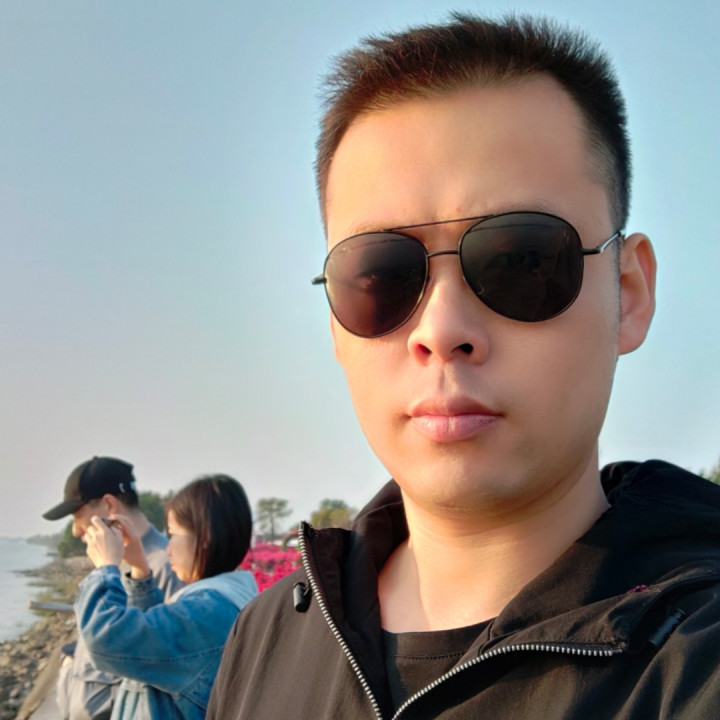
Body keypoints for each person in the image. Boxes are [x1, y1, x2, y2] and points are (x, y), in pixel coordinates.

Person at [207, 12, 720, 720]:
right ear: (335, 323)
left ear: (627, 294)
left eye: (523, 261)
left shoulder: (694, 665)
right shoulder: (266, 642)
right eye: (381, 275)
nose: (441, 330)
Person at [74, 474, 257, 720]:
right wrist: (140, 569)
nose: (168, 548)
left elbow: (104, 640)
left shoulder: (208, 613)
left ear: (205, 537)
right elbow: (154, 647)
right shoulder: (227, 601)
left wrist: (106, 567)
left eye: (172, 534)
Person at [43, 456, 184, 720]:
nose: (75, 531)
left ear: (109, 505)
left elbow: (162, 666)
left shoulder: (167, 568)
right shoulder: (116, 560)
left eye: (77, 515)